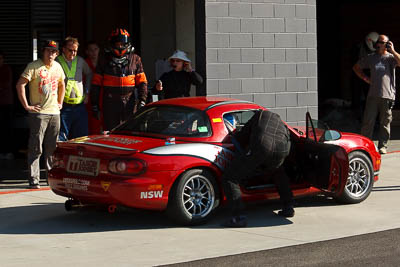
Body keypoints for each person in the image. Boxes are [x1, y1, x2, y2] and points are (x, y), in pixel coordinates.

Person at [221, 110, 294, 227]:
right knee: (278, 172)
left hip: (262, 147)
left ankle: (238, 217)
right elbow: (289, 138)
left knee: (230, 178)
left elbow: (240, 138)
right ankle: (288, 207)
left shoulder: (258, 116)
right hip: (282, 150)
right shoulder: (279, 121)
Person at [16, 40, 65, 189]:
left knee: (52, 148)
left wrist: (60, 102)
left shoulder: (57, 66)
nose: (51, 54)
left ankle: (50, 177)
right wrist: (27, 106)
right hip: (39, 114)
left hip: (54, 113)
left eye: (54, 52)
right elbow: (20, 84)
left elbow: (63, 84)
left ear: (57, 54)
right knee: (36, 147)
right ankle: (34, 179)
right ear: (43, 52)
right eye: (48, 51)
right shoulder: (34, 66)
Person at [91, 28, 148, 131]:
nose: (120, 46)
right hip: (110, 102)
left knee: (130, 131)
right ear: (112, 44)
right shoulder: (103, 60)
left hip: (129, 101)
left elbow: (142, 82)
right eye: (117, 44)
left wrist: (142, 100)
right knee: (111, 131)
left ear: (127, 44)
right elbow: (96, 84)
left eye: (122, 44)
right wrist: (94, 105)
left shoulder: (135, 59)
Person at [353, 34, 400, 154]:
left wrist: (393, 51)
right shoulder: (371, 57)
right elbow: (356, 67)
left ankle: (383, 146)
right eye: (379, 42)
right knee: (368, 121)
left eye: (383, 42)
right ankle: (365, 145)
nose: (380, 44)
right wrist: (365, 78)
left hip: (387, 95)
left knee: (385, 123)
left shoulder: (391, 58)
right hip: (373, 95)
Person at [56, 36, 92, 141]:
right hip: (64, 107)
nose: (73, 53)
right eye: (70, 50)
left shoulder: (80, 61)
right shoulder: (56, 62)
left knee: (81, 137)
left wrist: (87, 92)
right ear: (63, 49)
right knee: (61, 137)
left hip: (79, 106)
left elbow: (89, 73)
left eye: (75, 50)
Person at [351, 32, 379, 121]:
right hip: (359, 74)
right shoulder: (358, 49)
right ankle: (359, 118)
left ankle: (373, 118)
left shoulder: (378, 50)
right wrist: (365, 78)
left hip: (371, 75)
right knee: (358, 97)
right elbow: (355, 66)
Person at [84, 41, 102, 134]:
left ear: (99, 50)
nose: (93, 52)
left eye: (95, 49)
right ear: (87, 52)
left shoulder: (103, 64)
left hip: (102, 98)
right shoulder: (83, 64)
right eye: (90, 50)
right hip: (88, 98)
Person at [0, 50, 14, 160]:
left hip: (5, 103)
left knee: (6, 128)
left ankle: (8, 151)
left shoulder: (6, 69)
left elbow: (5, 84)